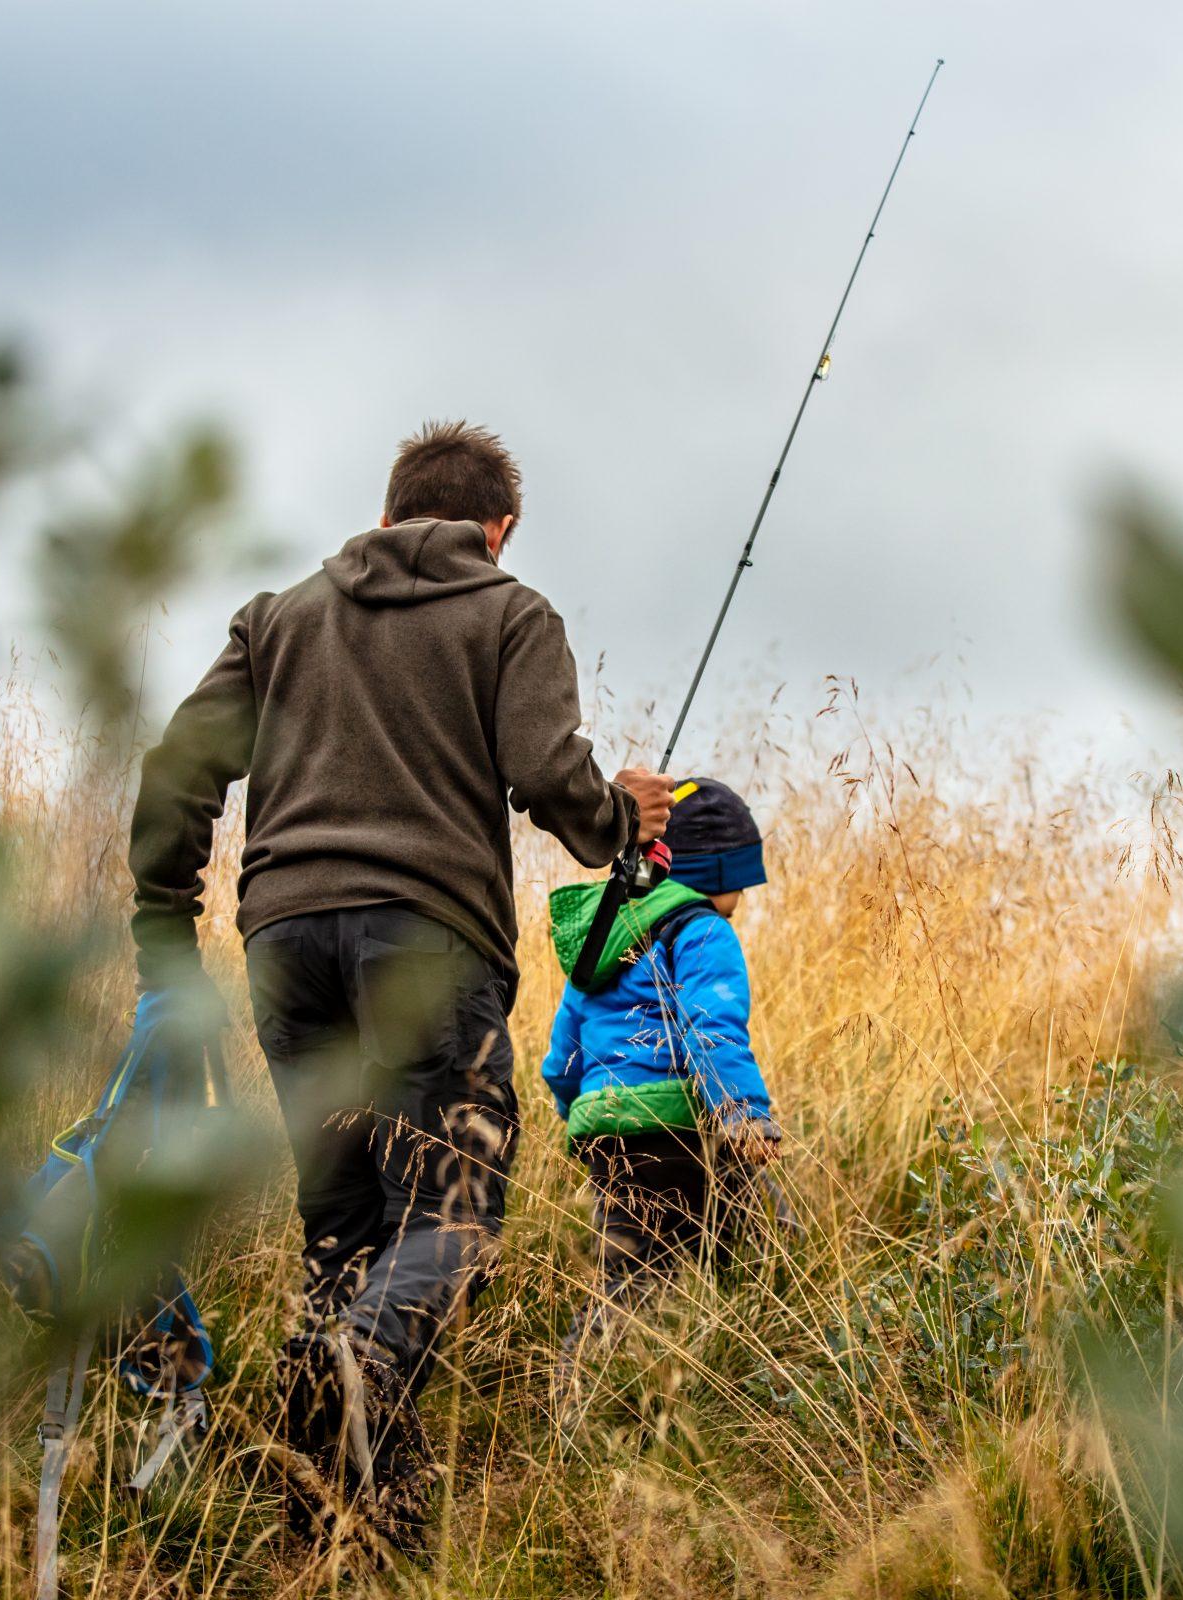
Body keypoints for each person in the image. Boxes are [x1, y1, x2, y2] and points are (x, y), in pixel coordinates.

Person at [124, 419, 674, 1553]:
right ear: (498, 530)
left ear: (387, 514)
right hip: (425, 948)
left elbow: (179, 766)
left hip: (282, 945)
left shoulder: (276, 618)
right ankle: (349, 1376)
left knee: (344, 1231)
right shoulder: (511, 612)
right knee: (453, 1216)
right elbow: (548, 779)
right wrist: (621, 814)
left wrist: (163, 931)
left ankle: (344, 1524)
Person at [539, 775, 782, 1379]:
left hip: (609, 1134)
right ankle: (757, 1359)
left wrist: (586, 1117)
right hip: (680, 1128)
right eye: (739, 886)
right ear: (713, 876)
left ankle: (583, 1395)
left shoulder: (603, 945)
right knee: (761, 1240)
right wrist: (742, 1112)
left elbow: (560, 1059)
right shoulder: (703, 930)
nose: (740, 902)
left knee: (627, 1268)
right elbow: (712, 1027)